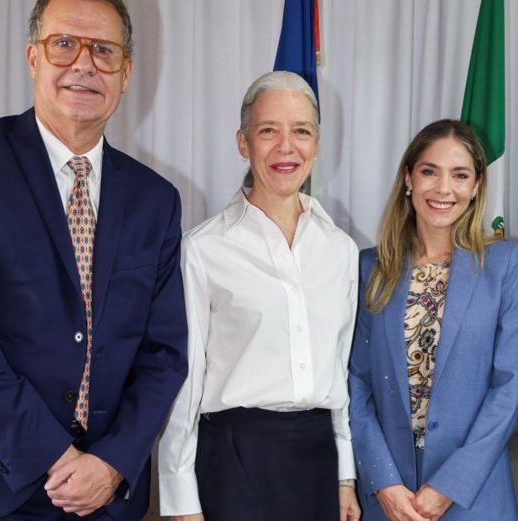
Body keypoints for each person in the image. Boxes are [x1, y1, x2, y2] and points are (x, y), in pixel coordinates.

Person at [0, 1, 188, 519]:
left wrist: (112, 462)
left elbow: (163, 354)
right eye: (64, 44)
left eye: (103, 50)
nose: (84, 64)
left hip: (106, 489)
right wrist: (52, 457)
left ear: (126, 73)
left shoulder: (156, 199)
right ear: (33, 57)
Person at [156, 71, 361, 521]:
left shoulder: (342, 250)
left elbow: (340, 375)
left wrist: (345, 475)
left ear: (318, 143)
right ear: (243, 143)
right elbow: (184, 381)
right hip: (233, 459)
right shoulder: (202, 249)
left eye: (301, 131)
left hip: (317, 460)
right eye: (269, 130)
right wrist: (179, 498)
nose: (286, 147)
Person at [349, 119, 518, 521]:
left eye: (460, 175)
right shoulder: (370, 268)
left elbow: (509, 387)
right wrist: (383, 481)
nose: (443, 189)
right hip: (389, 497)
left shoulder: (504, 266)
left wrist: (449, 486)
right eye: (430, 171)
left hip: (474, 496)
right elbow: (356, 382)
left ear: (477, 185)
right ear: (408, 178)